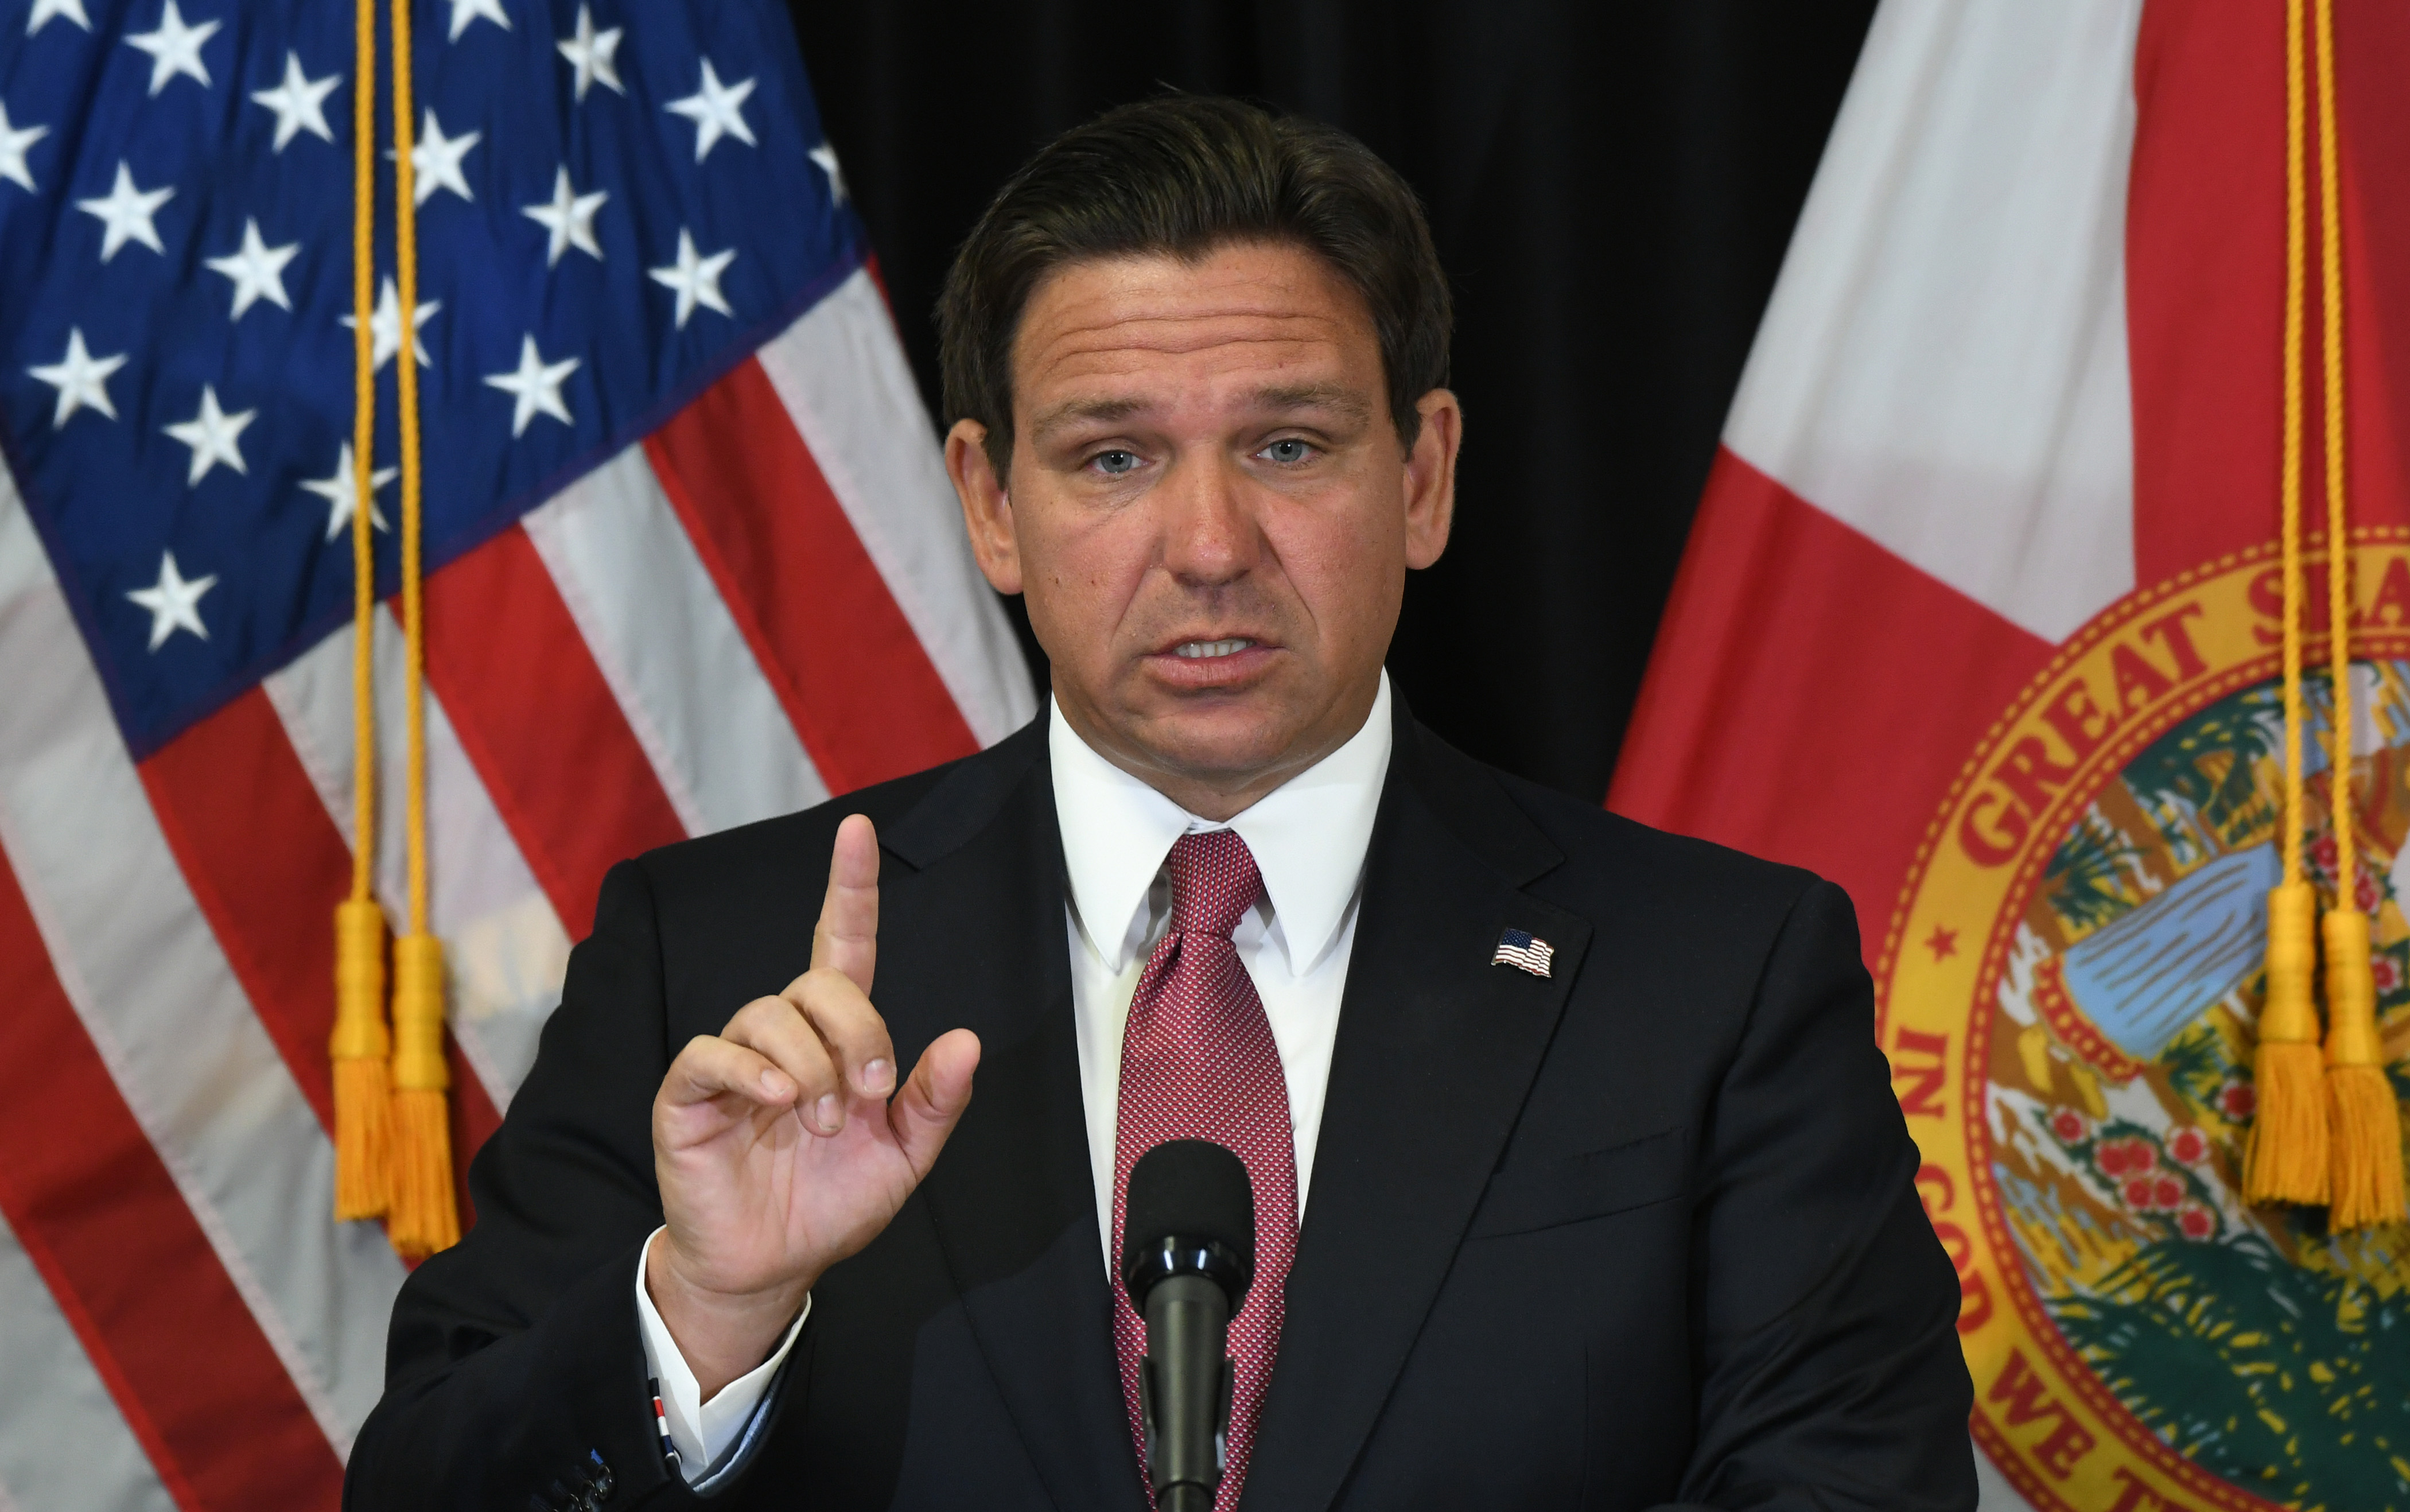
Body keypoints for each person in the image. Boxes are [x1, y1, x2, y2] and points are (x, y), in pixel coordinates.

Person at [345, 95, 1975, 1512]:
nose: (1208, 544)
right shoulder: (708, 957)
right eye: (1114, 458)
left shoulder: (1716, 972)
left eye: (1286, 442)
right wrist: (699, 1315)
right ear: (990, 502)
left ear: (1423, 476)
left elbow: (1856, 1483)